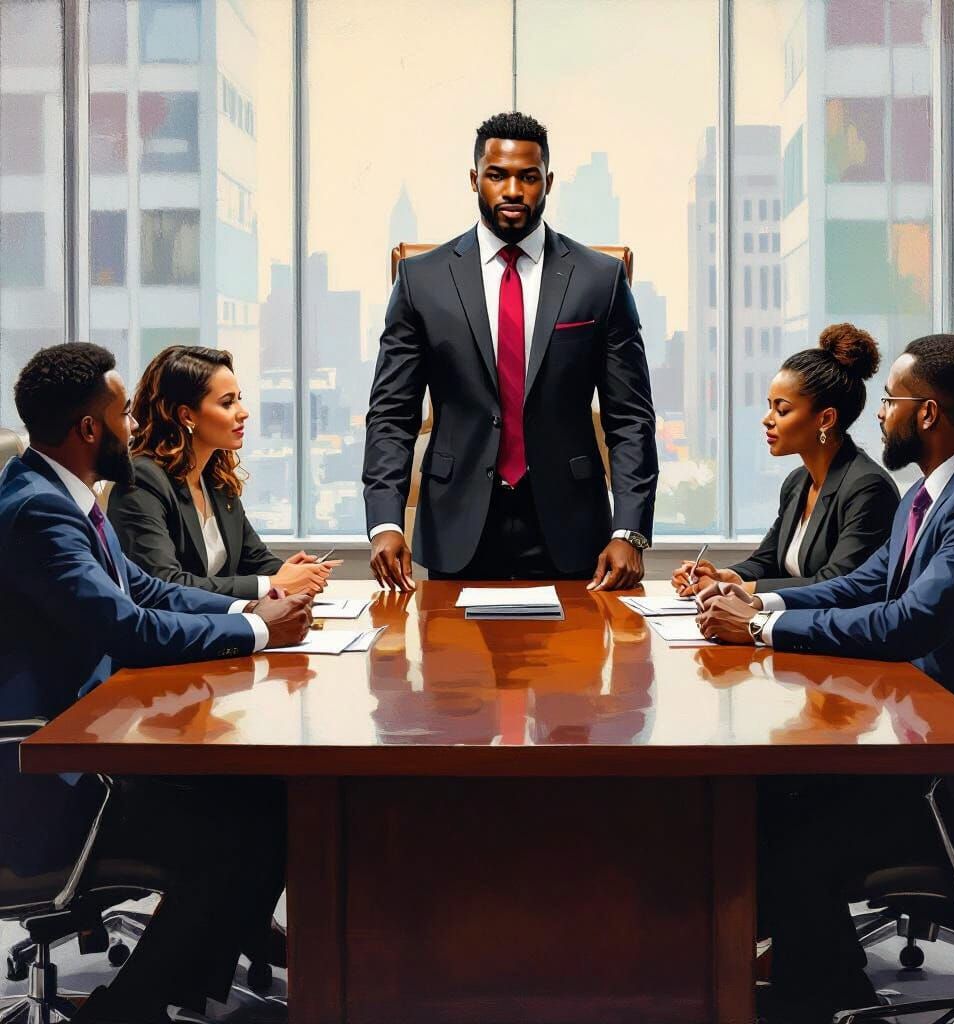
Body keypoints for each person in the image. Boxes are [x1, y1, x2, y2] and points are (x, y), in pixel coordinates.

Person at [693, 335, 954, 1023]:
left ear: (927, 413)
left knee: (785, 840)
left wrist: (760, 630)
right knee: (764, 803)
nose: (878, 415)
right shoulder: (933, 491)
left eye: (890, 402)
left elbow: (908, 623)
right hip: (919, 739)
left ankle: (819, 1000)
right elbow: (869, 583)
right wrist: (765, 604)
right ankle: (807, 988)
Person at [0, 342, 312, 1024]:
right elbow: (128, 628)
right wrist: (260, 631)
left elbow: (139, 588)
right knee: (241, 825)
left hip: (88, 739)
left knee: (265, 792)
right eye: (122, 414)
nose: (134, 426)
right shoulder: (40, 511)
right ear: (90, 430)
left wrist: (248, 612)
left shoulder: (62, 493)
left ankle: (183, 986)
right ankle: (128, 1009)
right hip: (44, 778)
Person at [362, 111, 658, 591]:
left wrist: (630, 531)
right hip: (458, 526)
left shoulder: (600, 280)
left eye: (528, 176)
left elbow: (630, 418)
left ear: (549, 182)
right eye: (498, 176)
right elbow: (391, 415)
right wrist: (385, 523)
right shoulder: (422, 280)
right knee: (453, 668)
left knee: (574, 667)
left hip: (573, 531)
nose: (513, 191)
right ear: (475, 178)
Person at [673, 323, 898, 596]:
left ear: (825, 419)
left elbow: (836, 583)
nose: (767, 420)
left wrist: (736, 589)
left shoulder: (868, 488)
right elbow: (766, 561)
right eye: (770, 406)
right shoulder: (798, 482)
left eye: (782, 410)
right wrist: (724, 575)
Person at [108, 345, 339, 599]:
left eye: (239, 398)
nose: (243, 412)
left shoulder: (215, 479)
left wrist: (292, 572)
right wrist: (272, 583)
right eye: (228, 402)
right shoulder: (143, 480)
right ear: (186, 415)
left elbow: (255, 560)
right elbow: (164, 583)